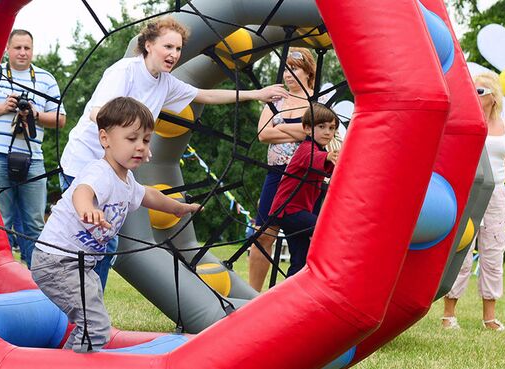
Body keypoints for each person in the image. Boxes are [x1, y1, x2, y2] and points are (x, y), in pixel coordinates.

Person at [59, 17, 288, 290]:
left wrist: (255, 93)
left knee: (106, 243)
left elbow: (204, 95)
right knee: (90, 241)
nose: (174, 55)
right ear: (147, 45)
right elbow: (98, 111)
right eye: (168, 46)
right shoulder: (126, 71)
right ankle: (76, 304)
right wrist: (133, 139)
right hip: (84, 164)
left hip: (115, 172)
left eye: (178, 49)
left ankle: (88, 307)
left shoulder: (165, 83)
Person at [31, 97, 200, 351]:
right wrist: (87, 209)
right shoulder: (100, 172)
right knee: (96, 328)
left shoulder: (127, 180)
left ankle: (67, 360)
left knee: (92, 327)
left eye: (145, 139)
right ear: (105, 139)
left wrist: (177, 207)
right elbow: (82, 192)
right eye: (131, 139)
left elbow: (148, 195)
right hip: (57, 262)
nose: (140, 146)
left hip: (78, 265)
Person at [442, 72, 505, 331]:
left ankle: (489, 317)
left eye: (479, 91)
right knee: (462, 251)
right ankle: (448, 314)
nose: (474, 95)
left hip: (497, 194)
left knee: (493, 253)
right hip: (469, 191)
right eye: (472, 90)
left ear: (493, 97)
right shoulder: (466, 121)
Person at [0, 29, 66, 268]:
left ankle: (35, 275)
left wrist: (35, 113)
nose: (22, 53)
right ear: (7, 49)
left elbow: (61, 119)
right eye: (17, 47)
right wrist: (3, 107)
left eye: (27, 48)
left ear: (33, 49)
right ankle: (1, 272)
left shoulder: (46, 78)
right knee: (0, 219)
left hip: (33, 157)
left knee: (34, 222)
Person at [248, 47, 318, 292]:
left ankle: (293, 297)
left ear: (308, 71)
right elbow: (263, 134)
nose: (289, 75)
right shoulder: (276, 98)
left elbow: (317, 132)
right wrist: (298, 129)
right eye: (286, 69)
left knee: (301, 240)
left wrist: (282, 128)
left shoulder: (317, 100)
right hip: (276, 174)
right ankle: (251, 296)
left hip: (307, 178)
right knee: (263, 236)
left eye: (294, 69)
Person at [268, 103, 339, 277]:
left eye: (332, 128)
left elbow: (334, 170)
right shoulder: (307, 149)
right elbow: (312, 158)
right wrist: (330, 155)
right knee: (325, 229)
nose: (327, 132)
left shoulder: (319, 151)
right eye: (321, 127)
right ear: (307, 128)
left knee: (299, 261)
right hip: (289, 211)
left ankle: (289, 295)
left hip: (293, 213)